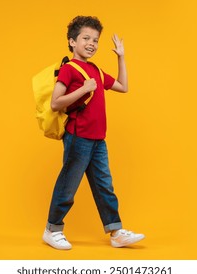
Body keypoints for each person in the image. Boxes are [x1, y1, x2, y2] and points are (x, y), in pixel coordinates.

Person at [43, 15, 145, 250]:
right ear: (72, 42)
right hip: (78, 137)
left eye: (95, 40)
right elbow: (56, 103)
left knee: (104, 186)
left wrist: (121, 57)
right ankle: (52, 229)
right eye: (86, 38)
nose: (92, 43)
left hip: (99, 139)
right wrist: (84, 90)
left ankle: (116, 232)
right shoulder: (69, 69)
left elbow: (123, 86)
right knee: (68, 185)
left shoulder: (96, 70)